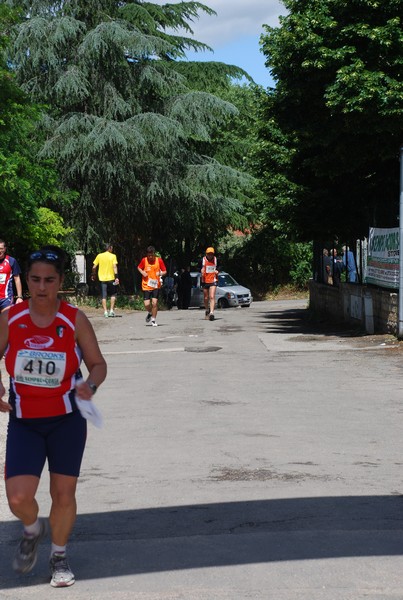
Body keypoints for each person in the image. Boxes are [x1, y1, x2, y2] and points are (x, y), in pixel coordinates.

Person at [0, 245, 107, 588]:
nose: (41, 287)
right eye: (35, 279)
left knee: (63, 494)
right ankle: (33, 529)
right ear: (26, 279)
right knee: (18, 498)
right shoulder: (10, 318)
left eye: (49, 280)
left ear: (60, 281)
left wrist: (90, 384)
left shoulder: (73, 319)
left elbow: (98, 364)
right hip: (25, 421)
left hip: (66, 421)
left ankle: (58, 555)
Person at [137, 246, 167, 327]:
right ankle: (150, 313)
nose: (150, 257)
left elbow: (165, 271)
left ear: (154, 254)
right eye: (149, 255)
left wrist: (160, 273)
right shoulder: (144, 260)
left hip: (155, 285)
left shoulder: (159, 260)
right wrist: (142, 272)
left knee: (154, 303)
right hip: (146, 285)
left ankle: (153, 320)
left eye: (152, 255)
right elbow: (139, 267)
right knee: (147, 304)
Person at [91, 243, 119, 317]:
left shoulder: (99, 256)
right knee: (113, 294)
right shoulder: (113, 256)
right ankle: (111, 310)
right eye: (111, 248)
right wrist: (117, 277)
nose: (112, 249)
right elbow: (114, 267)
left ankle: (105, 312)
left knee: (104, 295)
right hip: (111, 278)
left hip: (102, 279)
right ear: (109, 248)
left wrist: (93, 275)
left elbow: (94, 267)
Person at [0, 239, 24, 312]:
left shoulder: (11, 261)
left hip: (6, 298)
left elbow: (17, 279)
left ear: (4, 249)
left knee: (6, 320)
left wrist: (19, 297)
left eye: (1, 248)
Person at [201, 247, 219, 321]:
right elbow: (200, 267)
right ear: (206, 254)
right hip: (205, 280)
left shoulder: (215, 259)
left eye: (211, 254)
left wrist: (218, 271)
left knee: (212, 296)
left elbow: (219, 267)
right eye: (209, 254)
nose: (210, 255)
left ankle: (211, 313)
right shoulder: (203, 260)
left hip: (213, 280)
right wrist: (201, 270)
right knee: (206, 298)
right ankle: (207, 310)